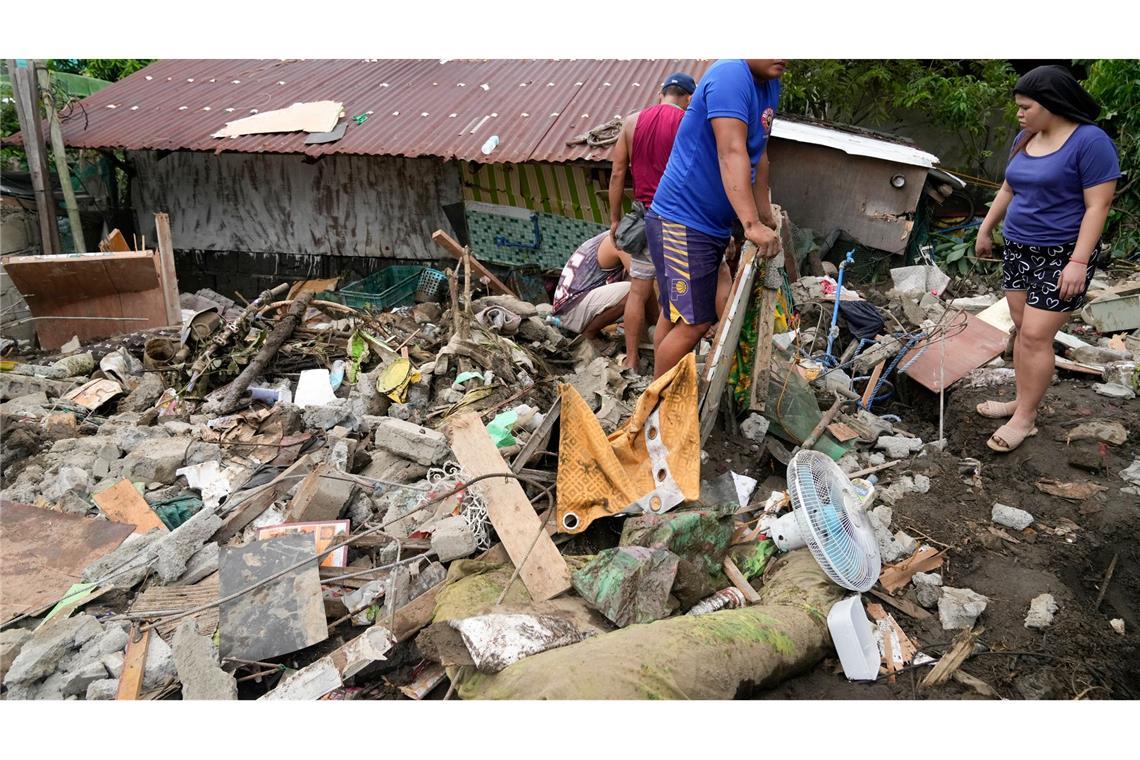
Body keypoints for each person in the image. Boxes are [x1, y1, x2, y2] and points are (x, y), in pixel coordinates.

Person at [975, 65, 1120, 452]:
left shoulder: (1091, 142)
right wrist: (986, 227)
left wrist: (1078, 261)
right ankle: (1021, 402)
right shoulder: (1026, 137)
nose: (1020, 113)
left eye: (1026, 106)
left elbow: (1098, 206)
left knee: (1038, 335)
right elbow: (1009, 185)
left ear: (1052, 104)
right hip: (1020, 247)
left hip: (1063, 253)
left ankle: (1026, 418)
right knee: (1024, 331)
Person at [645, 59, 786, 379]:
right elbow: (731, 151)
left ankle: (660, 397)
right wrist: (750, 225)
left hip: (706, 224)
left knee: (675, 314)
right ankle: (657, 412)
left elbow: (758, 154)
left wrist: (764, 214)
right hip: (682, 220)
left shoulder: (769, 83)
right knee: (694, 322)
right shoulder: (730, 76)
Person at [608, 71, 696, 371]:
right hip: (675, 221)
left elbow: (618, 172)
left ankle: (632, 360)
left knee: (638, 291)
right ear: (688, 98)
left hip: (642, 216)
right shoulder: (687, 123)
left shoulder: (631, 122)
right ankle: (665, 363)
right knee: (671, 296)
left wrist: (615, 219)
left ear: (662, 94)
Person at [551, 231, 630, 344]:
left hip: (564, 311)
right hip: (569, 315)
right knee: (635, 290)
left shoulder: (609, 236)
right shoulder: (622, 240)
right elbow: (643, 281)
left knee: (636, 286)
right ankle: (588, 337)